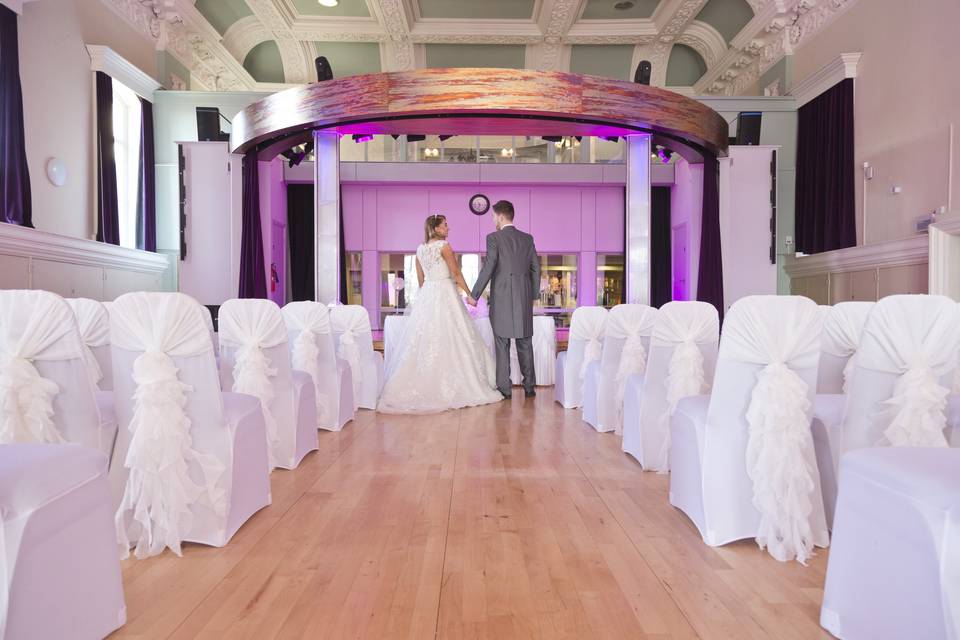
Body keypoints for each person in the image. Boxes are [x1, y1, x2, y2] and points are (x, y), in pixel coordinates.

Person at [377, 214, 502, 414]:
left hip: (428, 293)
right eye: (445, 225)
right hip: (445, 292)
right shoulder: (444, 246)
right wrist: (471, 295)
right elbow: (456, 273)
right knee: (454, 335)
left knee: (426, 339)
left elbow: (420, 279)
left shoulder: (420, 249)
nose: (448, 228)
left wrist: (426, 296)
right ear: (436, 228)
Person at [469, 200, 540, 399]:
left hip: (501, 297)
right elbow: (535, 267)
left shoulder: (494, 238)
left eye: (493, 216)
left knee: (502, 343)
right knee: (525, 342)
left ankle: (504, 389)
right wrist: (532, 295)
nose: (493, 220)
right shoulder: (527, 239)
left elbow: (489, 266)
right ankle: (529, 387)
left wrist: (475, 295)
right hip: (523, 297)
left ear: (500, 216)